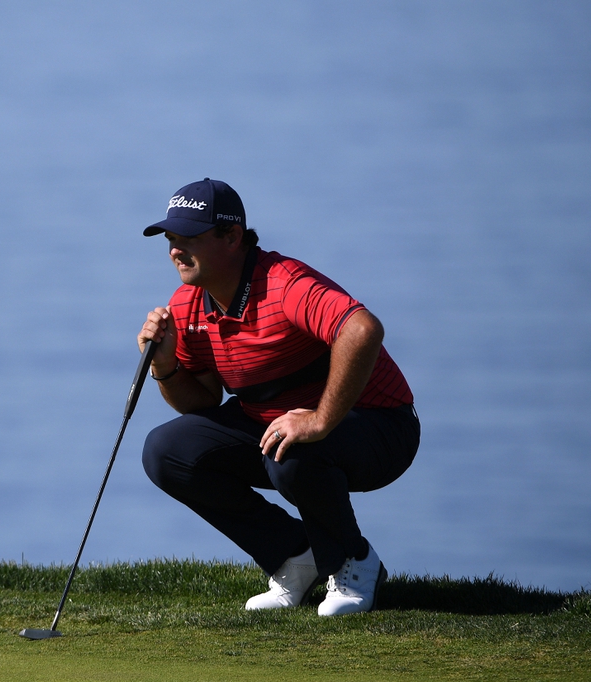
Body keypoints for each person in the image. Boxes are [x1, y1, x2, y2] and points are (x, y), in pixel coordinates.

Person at [137, 178, 419, 616]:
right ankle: (295, 559)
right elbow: (202, 403)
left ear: (231, 237)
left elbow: (363, 330)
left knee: (291, 450)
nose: (175, 249)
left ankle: (354, 563)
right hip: (279, 425)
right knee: (167, 451)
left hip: (380, 425)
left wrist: (320, 420)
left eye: (189, 237)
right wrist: (165, 364)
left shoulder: (284, 284)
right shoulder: (189, 304)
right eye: (172, 239)